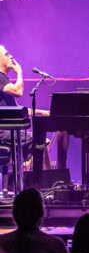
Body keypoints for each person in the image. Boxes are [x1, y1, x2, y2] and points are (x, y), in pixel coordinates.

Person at [0, 44, 69, 172]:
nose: (11, 57)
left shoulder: (4, 80)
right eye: (7, 54)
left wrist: (45, 112)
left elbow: (19, 110)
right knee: (40, 140)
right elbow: (18, 91)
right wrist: (19, 72)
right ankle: (40, 177)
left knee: (42, 141)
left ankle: (44, 176)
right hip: (3, 132)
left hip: (9, 130)